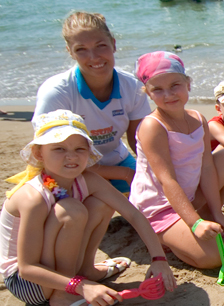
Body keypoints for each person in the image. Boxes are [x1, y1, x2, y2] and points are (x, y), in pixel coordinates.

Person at [0, 110, 175, 306]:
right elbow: (27, 268)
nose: (71, 156)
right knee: (71, 211)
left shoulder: (87, 180)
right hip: (29, 283)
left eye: (80, 149)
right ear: (39, 153)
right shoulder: (33, 197)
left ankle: (85, 271)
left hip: (51, 272)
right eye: (59, 148)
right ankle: (63, 295)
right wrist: (82, 287)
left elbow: (133, 214)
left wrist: (159, 259)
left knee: (102, 203)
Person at [129, 52, 224, 270]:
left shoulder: (197, 119)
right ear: (148, 93)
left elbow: (207, 167)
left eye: (175, 85)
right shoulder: (153, 126)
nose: (169, 94)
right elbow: (167, 180)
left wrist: (216, 211)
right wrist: (195, 223)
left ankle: (204, 216)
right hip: (159, 207)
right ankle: (163, 236)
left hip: (188, 196)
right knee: (215, 258)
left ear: (188, 84)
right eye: (158, 89)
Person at [34, 11, 152, 194]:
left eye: (101, 46)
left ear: (113, 44)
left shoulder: (132, 87)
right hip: (68, 167)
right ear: (70, 52)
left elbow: (140, 143)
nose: (94, 57)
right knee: (82, 210)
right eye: (81, 49)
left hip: (116, 159)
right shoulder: (56, 92)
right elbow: (50, 156)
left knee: (158, 188)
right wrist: (122, 173)